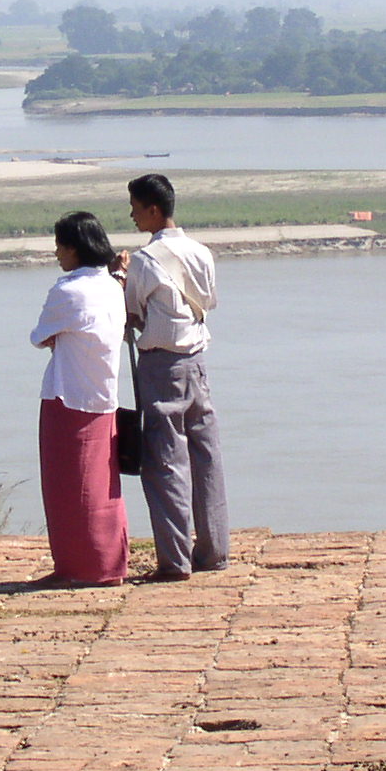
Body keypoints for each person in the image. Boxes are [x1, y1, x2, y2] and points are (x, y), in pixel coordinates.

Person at [120, 174, 227, 582]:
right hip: (197, 362)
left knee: (165, 463)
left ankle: (175, 560)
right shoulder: (201, 252)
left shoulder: (146, 261)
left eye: (134, 207)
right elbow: (210, 301)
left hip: (161, 366)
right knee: (206, 457)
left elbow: (131, 313)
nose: (131, 215)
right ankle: (214, 551)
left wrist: (120, 276)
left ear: (152, 209)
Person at [29, 211, 129, 587]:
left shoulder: (66, 291)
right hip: (103, 393)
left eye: (60, 246)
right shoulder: (111, 287)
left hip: (67, 395)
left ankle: (80, 566)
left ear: (73, 248)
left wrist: (59, 337)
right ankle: (107, 562)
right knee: (102, 483)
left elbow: (40, 335)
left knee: (68, 487)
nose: (57, 254)